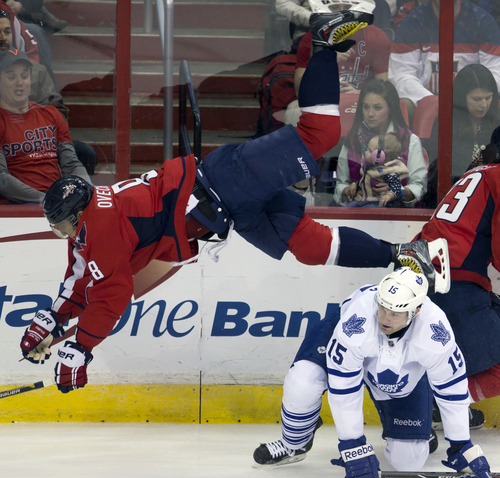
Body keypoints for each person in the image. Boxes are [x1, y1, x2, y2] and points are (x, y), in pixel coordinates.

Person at [18, 7, 445, 394]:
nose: (61, 233)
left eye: (60, 225)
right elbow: (81, 279)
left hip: (226, 180)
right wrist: (49, 321)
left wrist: (80, 348)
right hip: (228, 206)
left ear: (74, 215)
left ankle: (321, 41)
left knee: (321, 134)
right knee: (309, 246)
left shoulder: (101, 226)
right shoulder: (88, 229)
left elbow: (112, 292)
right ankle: (404, 253)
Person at [253, 267, 494, 478]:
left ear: (416, 311)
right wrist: (353, 446)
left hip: (402, 371)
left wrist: (461, 446)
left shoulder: (435, 334)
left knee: (408, 461)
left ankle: (419, 429)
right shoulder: (356, 324)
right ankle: (295, 443)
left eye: (395, 313)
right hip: (346, 340)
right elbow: (344, 388)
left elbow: (452, 390)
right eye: (382, 307)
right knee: (303, 381)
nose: (385, 318)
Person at [416, 125, 500, 408]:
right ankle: (437, 406)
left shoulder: (477, 173)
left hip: (423, 271)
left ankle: (433, 403)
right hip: (452, 280)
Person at [0, 11, 98, 176]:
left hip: (38, 139)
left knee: (85, 153)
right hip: (5, 140)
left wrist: (37, 135)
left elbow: (58, 111)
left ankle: (75, 191)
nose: (3, 38)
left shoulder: (36, 71)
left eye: (7, 32)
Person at [0, 49, 91, 204]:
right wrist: (46, 200)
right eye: (11, 76)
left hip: (57, 200)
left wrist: (86, 191)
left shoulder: (51, 114)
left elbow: (71, 165)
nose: (19, 82)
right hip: (20, 204)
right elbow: (2, 179)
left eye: (24, 76)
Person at [389, 0, 500, 122]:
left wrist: (465, 100)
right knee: (404, 105)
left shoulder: (483, 21)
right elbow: (402, 75)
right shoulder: (413, 22)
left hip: (470, 102)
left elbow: (495, 73)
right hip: (426, 99)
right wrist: (433, 101)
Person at [333, 79, 427, 206]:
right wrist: (348, 191)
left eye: (377, 108)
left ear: (390, 109)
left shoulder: (409, 140)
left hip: (397, 213)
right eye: (366, 107)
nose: (370, 114)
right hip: (357, 210)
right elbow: (340, 183)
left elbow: (419, 186)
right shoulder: (352, 139)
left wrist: (397, 191)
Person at [424, 64, 499, 207]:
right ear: (461, 98)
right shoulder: (446, 123)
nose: (484, 105)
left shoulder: (498, 123)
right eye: (477, 99)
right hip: (453, 197)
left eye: (488, 98)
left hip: (492, 199)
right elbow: (437, 171)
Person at [344, 132, 409, 207]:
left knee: (367, 210)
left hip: (380, 203)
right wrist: (355, 184)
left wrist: (389, 195)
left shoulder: (387, 171)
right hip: (365, 200)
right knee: (348, 208)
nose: (366, 152)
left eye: (370, 151)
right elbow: (365, 181)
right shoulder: (370, 167)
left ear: (381, 156)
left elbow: (396, 185)